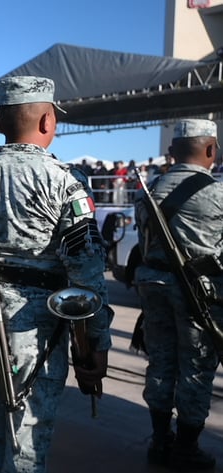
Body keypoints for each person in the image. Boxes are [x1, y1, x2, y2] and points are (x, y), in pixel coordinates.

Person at [0, 76, 113, 473]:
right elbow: (87, 273)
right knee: (29, 431)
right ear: (46, 122)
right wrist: (97, 343)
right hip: (37, 326)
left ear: (2, 123)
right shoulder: (65, 183)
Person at [134, 119, 222, 471]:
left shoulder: (148, 190)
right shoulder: (216, 194)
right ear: (211, 149)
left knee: (161, 361)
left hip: (152, 286)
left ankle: (159, 441)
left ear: (171, 152)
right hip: (198, 295)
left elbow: (144, 243)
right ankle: (186, 448)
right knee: (196, 368)